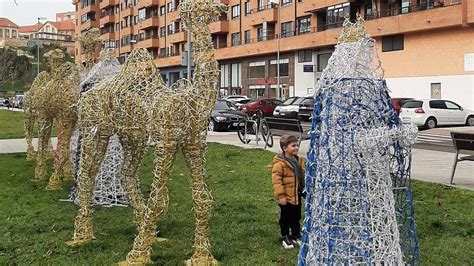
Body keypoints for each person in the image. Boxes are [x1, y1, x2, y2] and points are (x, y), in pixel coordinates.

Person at [271, 135, 306, 249]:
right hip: (286, 197)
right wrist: (281, 196)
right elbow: (277, 182)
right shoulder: (280, 164)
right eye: (293, 146)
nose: (296, 148)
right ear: (285, 148)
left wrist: (303, 189)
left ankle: (296, 235)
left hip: (296, 195)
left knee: (296, 217)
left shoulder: (298, 160)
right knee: (285, 218)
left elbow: (301, 177)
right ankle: (285, 236)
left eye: (297, 145)